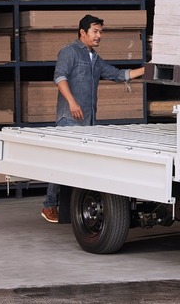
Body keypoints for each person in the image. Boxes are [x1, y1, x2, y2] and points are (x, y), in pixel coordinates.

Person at [41, 14, 145, 223]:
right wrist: (71, 102)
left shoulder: (95, 59)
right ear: (83, 32)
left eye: (101, 32)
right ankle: (49, 205)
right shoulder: (69, 52)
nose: (99, 36)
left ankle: (72, 208)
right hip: (69, 118)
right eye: (95, 31)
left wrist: (148, 69)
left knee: (79, 165)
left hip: (88, 122)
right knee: (62, 162)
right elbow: (59, 77)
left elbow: (118, 75)